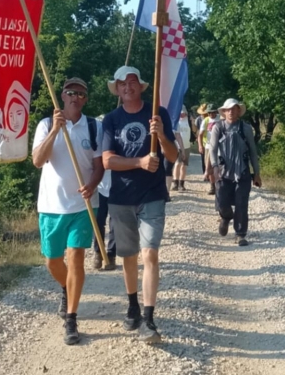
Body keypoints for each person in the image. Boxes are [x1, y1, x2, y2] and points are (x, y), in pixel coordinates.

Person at [101, 65, 178, 344]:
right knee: (129, 256)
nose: (127, 87)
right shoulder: (111, 120)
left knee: (150, 254)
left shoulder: (158, 113)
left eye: (132, 81)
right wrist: (140, 162)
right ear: (117, 90)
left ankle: (149, 318)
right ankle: (132, 304)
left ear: (141, 86)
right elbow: (107, 160)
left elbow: (173, 155)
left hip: (152, 195)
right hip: (121, 197)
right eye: (122, 83)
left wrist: (162, 135)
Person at [31, 77, 104, 345]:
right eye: (71, 92)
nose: (75, 97)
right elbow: (38, 160)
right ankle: (66, 287)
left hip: (83, 205)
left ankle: (71, 319)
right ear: (62, 95)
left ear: (86, 99)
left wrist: (92, 185)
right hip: (51, 206)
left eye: (81, 94)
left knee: (76, 259)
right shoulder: (45, 124)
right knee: (52, 261)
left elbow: (99, 165)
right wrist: (55, 131)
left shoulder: (94, 126)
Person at [208, 98, 262, 246]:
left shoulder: (246, 128)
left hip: (242, 171)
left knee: (241, 203)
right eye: (228, 109)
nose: (231, 112)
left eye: (234, 109)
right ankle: (226, 217)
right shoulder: (218, 127)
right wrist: (214, 166)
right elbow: (213, 149)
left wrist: (256, 173)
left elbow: (252, 151)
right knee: (222, 202)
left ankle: (240, 234)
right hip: (223, 172)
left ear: (239, 111)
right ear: (224, 112)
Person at [92, 118, 116, 271]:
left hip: (117, 187)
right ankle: (98, 253)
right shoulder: (94, 143)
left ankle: (111, 254)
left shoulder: (116, 141)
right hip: (99, 187)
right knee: (98, 221)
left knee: (115, 223)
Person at [198, 105, 220, 194]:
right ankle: (212, 186)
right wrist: (200, 146)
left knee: (220, 165)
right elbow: (200, 135)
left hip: (220, 145)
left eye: (213, 112)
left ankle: (219, 185)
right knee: (209, 166)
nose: (212, 114)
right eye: (210, 112)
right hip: (208, 146)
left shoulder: (220, 119)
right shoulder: (206, 121)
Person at [172, 107, 193, 191]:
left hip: (187, 145)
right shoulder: (176, 121)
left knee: (184, 165)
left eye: (183, 113)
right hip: (177, 146)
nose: (182, 114)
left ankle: (181, 183)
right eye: (180, 113)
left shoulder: (189, 121)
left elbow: (194, 131)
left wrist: (192, 122)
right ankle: (175, 183)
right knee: (177, 164)